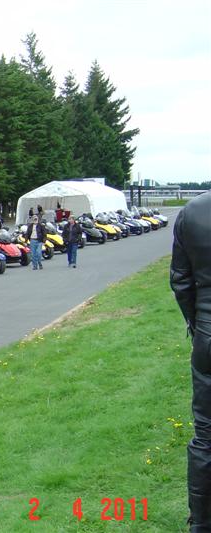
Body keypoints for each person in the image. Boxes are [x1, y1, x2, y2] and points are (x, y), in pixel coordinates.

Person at [170, 192, 211, 532]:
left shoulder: (193, 211)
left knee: (207, 436)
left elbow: (181, 282)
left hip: (209, 335)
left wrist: (199, 328)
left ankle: (201, 522)